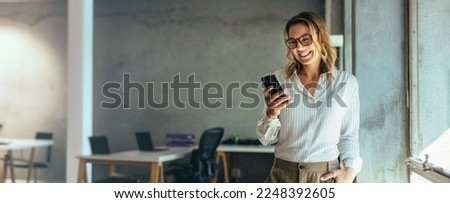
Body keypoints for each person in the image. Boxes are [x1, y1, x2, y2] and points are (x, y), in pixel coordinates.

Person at [257, 11, 362, 183]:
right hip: (283, 175)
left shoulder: (347, 83)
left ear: (320, 38)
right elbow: (266, 138)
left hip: (325, 177)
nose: (299, 48)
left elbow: (348, 137)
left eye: (306, 39)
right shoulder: (280, 81)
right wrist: (271, 113)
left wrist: (350, 172)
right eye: (292, 42)